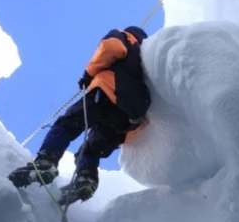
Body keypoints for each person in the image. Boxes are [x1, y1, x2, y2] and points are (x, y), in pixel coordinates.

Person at [8, 26, 151, 206]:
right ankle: (86, 180)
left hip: (108, 92)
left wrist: (89, 74)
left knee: (67, 124)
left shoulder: (127, 37)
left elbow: (112, 46)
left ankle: (46, 162)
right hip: (128, 118)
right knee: (90, 149)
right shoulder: (148, 64)